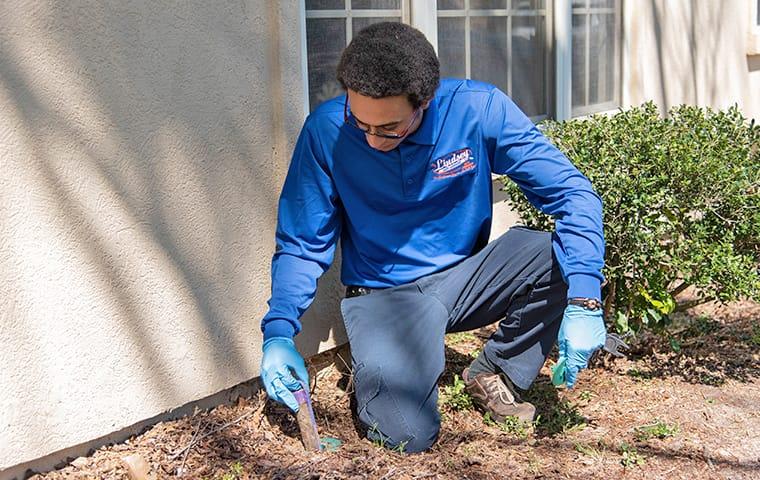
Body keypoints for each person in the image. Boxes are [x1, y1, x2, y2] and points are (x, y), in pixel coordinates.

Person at [259, 22, 607, 453]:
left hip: (466, 278)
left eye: (388, 127)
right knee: (405, 435)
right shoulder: (326, 132)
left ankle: (495, 370)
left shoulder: (477, 109)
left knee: (554, 255)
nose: (371, 138)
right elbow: (301, 243)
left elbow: (573, 195)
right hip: (386, 297)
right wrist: (278, 332)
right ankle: (394, 368)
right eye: (359, 120)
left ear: (425, 102)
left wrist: (585, 299)